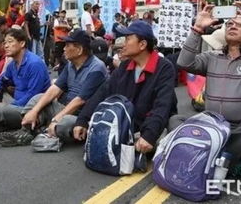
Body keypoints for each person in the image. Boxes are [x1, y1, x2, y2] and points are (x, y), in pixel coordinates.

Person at [172, 1, 241, 178]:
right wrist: (196, 29)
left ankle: (204, 158)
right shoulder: (212, 56)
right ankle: (228, 163)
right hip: (210, 127)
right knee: (175, 121)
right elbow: (184, 62)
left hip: (239, 130)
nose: (232, 25)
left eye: (240, 23)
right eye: (229, 23)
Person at [73, 21, 177, 154]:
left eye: (128, 39)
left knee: (168, 132)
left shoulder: (164, 68)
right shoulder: (125, 66)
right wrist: (83, 119)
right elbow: (103, 93)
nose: (123, 43)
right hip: (125, 124)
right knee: (71, 124)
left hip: (151, 126)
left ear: (142, 44)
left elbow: (162, 105)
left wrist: (149, 136)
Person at [0, 30, 107, 147]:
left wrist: (56, 120)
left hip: (82, 116)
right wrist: (34, 111)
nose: (64, 49)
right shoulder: (70, 65)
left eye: (67, 46)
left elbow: (79, 101)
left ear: (79, 50)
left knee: (65, 123)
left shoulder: (96, 68)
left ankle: (42, 129)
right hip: (65, 107)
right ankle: (27, 131)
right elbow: (55, 89)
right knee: (38, 98)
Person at [0, 29, 50, 130]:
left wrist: (10, 105)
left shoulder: (34, 63)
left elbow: (33, 94)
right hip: (18, 103)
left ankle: (1, 124)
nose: (6, 46)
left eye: (10, 41)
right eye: (5, 43)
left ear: (22, 43)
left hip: (34, 108)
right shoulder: (13, 64)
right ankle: (2, 122)